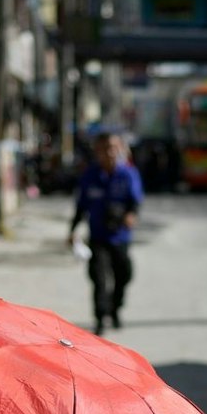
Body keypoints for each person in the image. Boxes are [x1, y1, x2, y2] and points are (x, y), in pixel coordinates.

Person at [68, 133, 145, 335]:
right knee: (99, 279)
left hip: (120, 237)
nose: (109, 152)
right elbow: (80, 207)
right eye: (104, 148)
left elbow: (135, 202)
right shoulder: (90, 176)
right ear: (97, 151)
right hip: (98, 237)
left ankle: (115, 308)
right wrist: (73, 230)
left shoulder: (128, 174)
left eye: (113, 147)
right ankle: (101, 318)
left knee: (124, 275)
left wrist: (131, 216)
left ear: (119, 149)